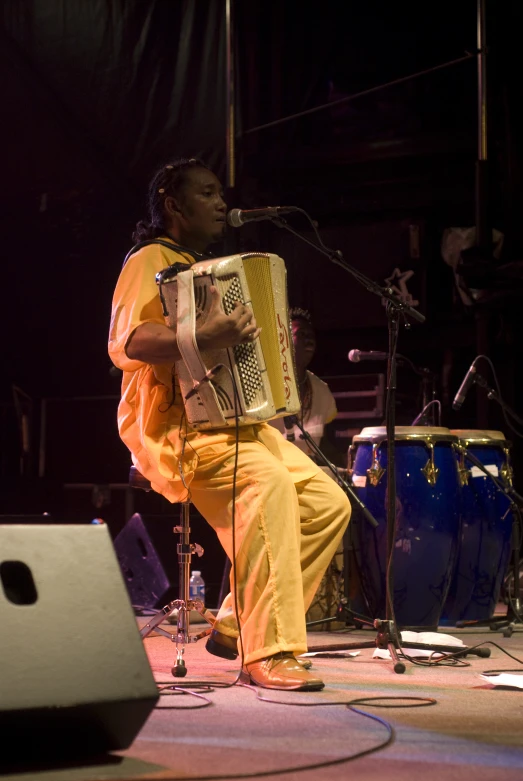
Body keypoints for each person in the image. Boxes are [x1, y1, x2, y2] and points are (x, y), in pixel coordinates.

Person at [108, 158, 351, 691]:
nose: (221, 204)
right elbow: (128, 345)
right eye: (208, 193)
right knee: (266, 486)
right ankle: (270, 651)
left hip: (238, 424)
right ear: (174, 204)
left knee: (326, 503)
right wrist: (206, 336)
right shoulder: (149, 259)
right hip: (178, 429)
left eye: (222, 194)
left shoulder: (205, 267)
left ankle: (234, 623)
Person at [270, 308, 344, 468]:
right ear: (285, 339)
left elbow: (325, 444)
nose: (309, 340)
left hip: (309, 473)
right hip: (270, 472)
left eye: (311, 336)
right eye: (301, 334)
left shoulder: (322, 391)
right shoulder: (266, 384)